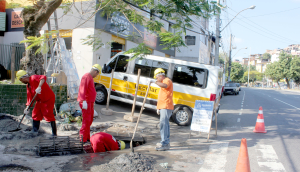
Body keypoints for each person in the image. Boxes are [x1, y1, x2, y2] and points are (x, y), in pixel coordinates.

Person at [16, 70, 57, 136]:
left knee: (48, 114)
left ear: (23, 77)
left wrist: (39, 86)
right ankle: (35, 131)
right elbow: (29, 98)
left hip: (48, 98)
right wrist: (27, 108)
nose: (21, 81)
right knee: (35, 113)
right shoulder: (28, 86)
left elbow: (43, 77)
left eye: (21, 80)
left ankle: (54, 134)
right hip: (40, 100)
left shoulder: (33, 77)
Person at [150, 68, 174, 151]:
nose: (157, 80)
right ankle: (165, 142)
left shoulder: (167, 80)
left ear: (160, 75)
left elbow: (165, 85)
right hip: (163, 107)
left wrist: (154, 82)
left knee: (163, 124)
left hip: (166, 106)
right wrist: (158, 108)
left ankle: (164, 143)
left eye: (157, 78)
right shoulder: (163, 82)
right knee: (165, 124)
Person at [78, 64, 101, 143]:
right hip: (86, 102)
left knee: (89, 120)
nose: (97, 75)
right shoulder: (86, 76)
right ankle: (82, 138)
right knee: (86, 120)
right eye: (97, 74)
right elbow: (82, 88)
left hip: (89, 102)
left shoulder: (90, 77)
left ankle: (87, 137)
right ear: (95, 71)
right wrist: (83, 100)